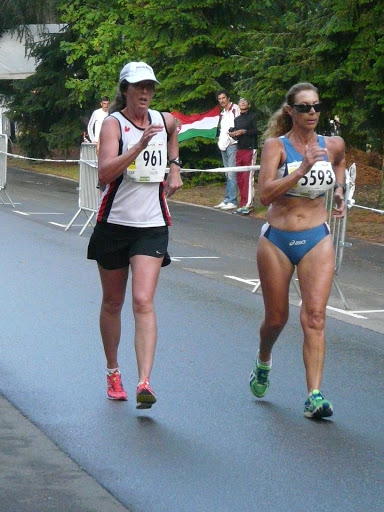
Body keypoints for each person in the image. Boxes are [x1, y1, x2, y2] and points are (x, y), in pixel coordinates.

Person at [87, 62, 183, 409]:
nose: (144, 93)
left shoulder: (161, 119)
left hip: (152, 225)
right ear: (124, 90)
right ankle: (113, 371)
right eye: (137, 87)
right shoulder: (114, 124)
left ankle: (144, 381)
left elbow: (176, 126)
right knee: (113, 302)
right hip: (114, 224)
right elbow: (105, 173)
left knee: (143, 300)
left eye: (149, 87)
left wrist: (174, 166)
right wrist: (138, 147)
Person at [249, 82, 346, 419]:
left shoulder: (332, 144)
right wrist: (302, 169)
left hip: (316, 238)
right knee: (276, 319)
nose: (312, 113)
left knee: (315, 317)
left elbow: (340, 164)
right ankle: (263, 359)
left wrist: (341, 193)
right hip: (277, 239)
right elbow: (264, 194)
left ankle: (314, 396)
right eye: (304, 108)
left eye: (316, 106)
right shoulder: (276, 147)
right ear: (290, 111)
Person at [228, 98, 258, 215]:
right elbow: (236, 136)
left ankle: (248, 205)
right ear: (238, 105)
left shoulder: (252, 117)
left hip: (250, 149)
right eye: (240, 101)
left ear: (249, 105)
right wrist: (233, 134)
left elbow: (256, 131)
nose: (243, 102)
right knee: (240, 177)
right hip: (240, 149)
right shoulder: (237, 119)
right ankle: (242, 203)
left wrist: (244, 131)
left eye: (245, 101)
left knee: (248, 177)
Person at [214, 90, 240, 210]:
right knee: (227, 173)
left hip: (232, 144)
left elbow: (240, 124)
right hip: (223, 145)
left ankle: (233, 200)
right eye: (220, 99)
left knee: (231, 173)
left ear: (228, 98)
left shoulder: (235, 109)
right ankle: (227, 199)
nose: (222, 100)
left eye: (223, 98)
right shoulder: (222, 113)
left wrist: (232, 139)